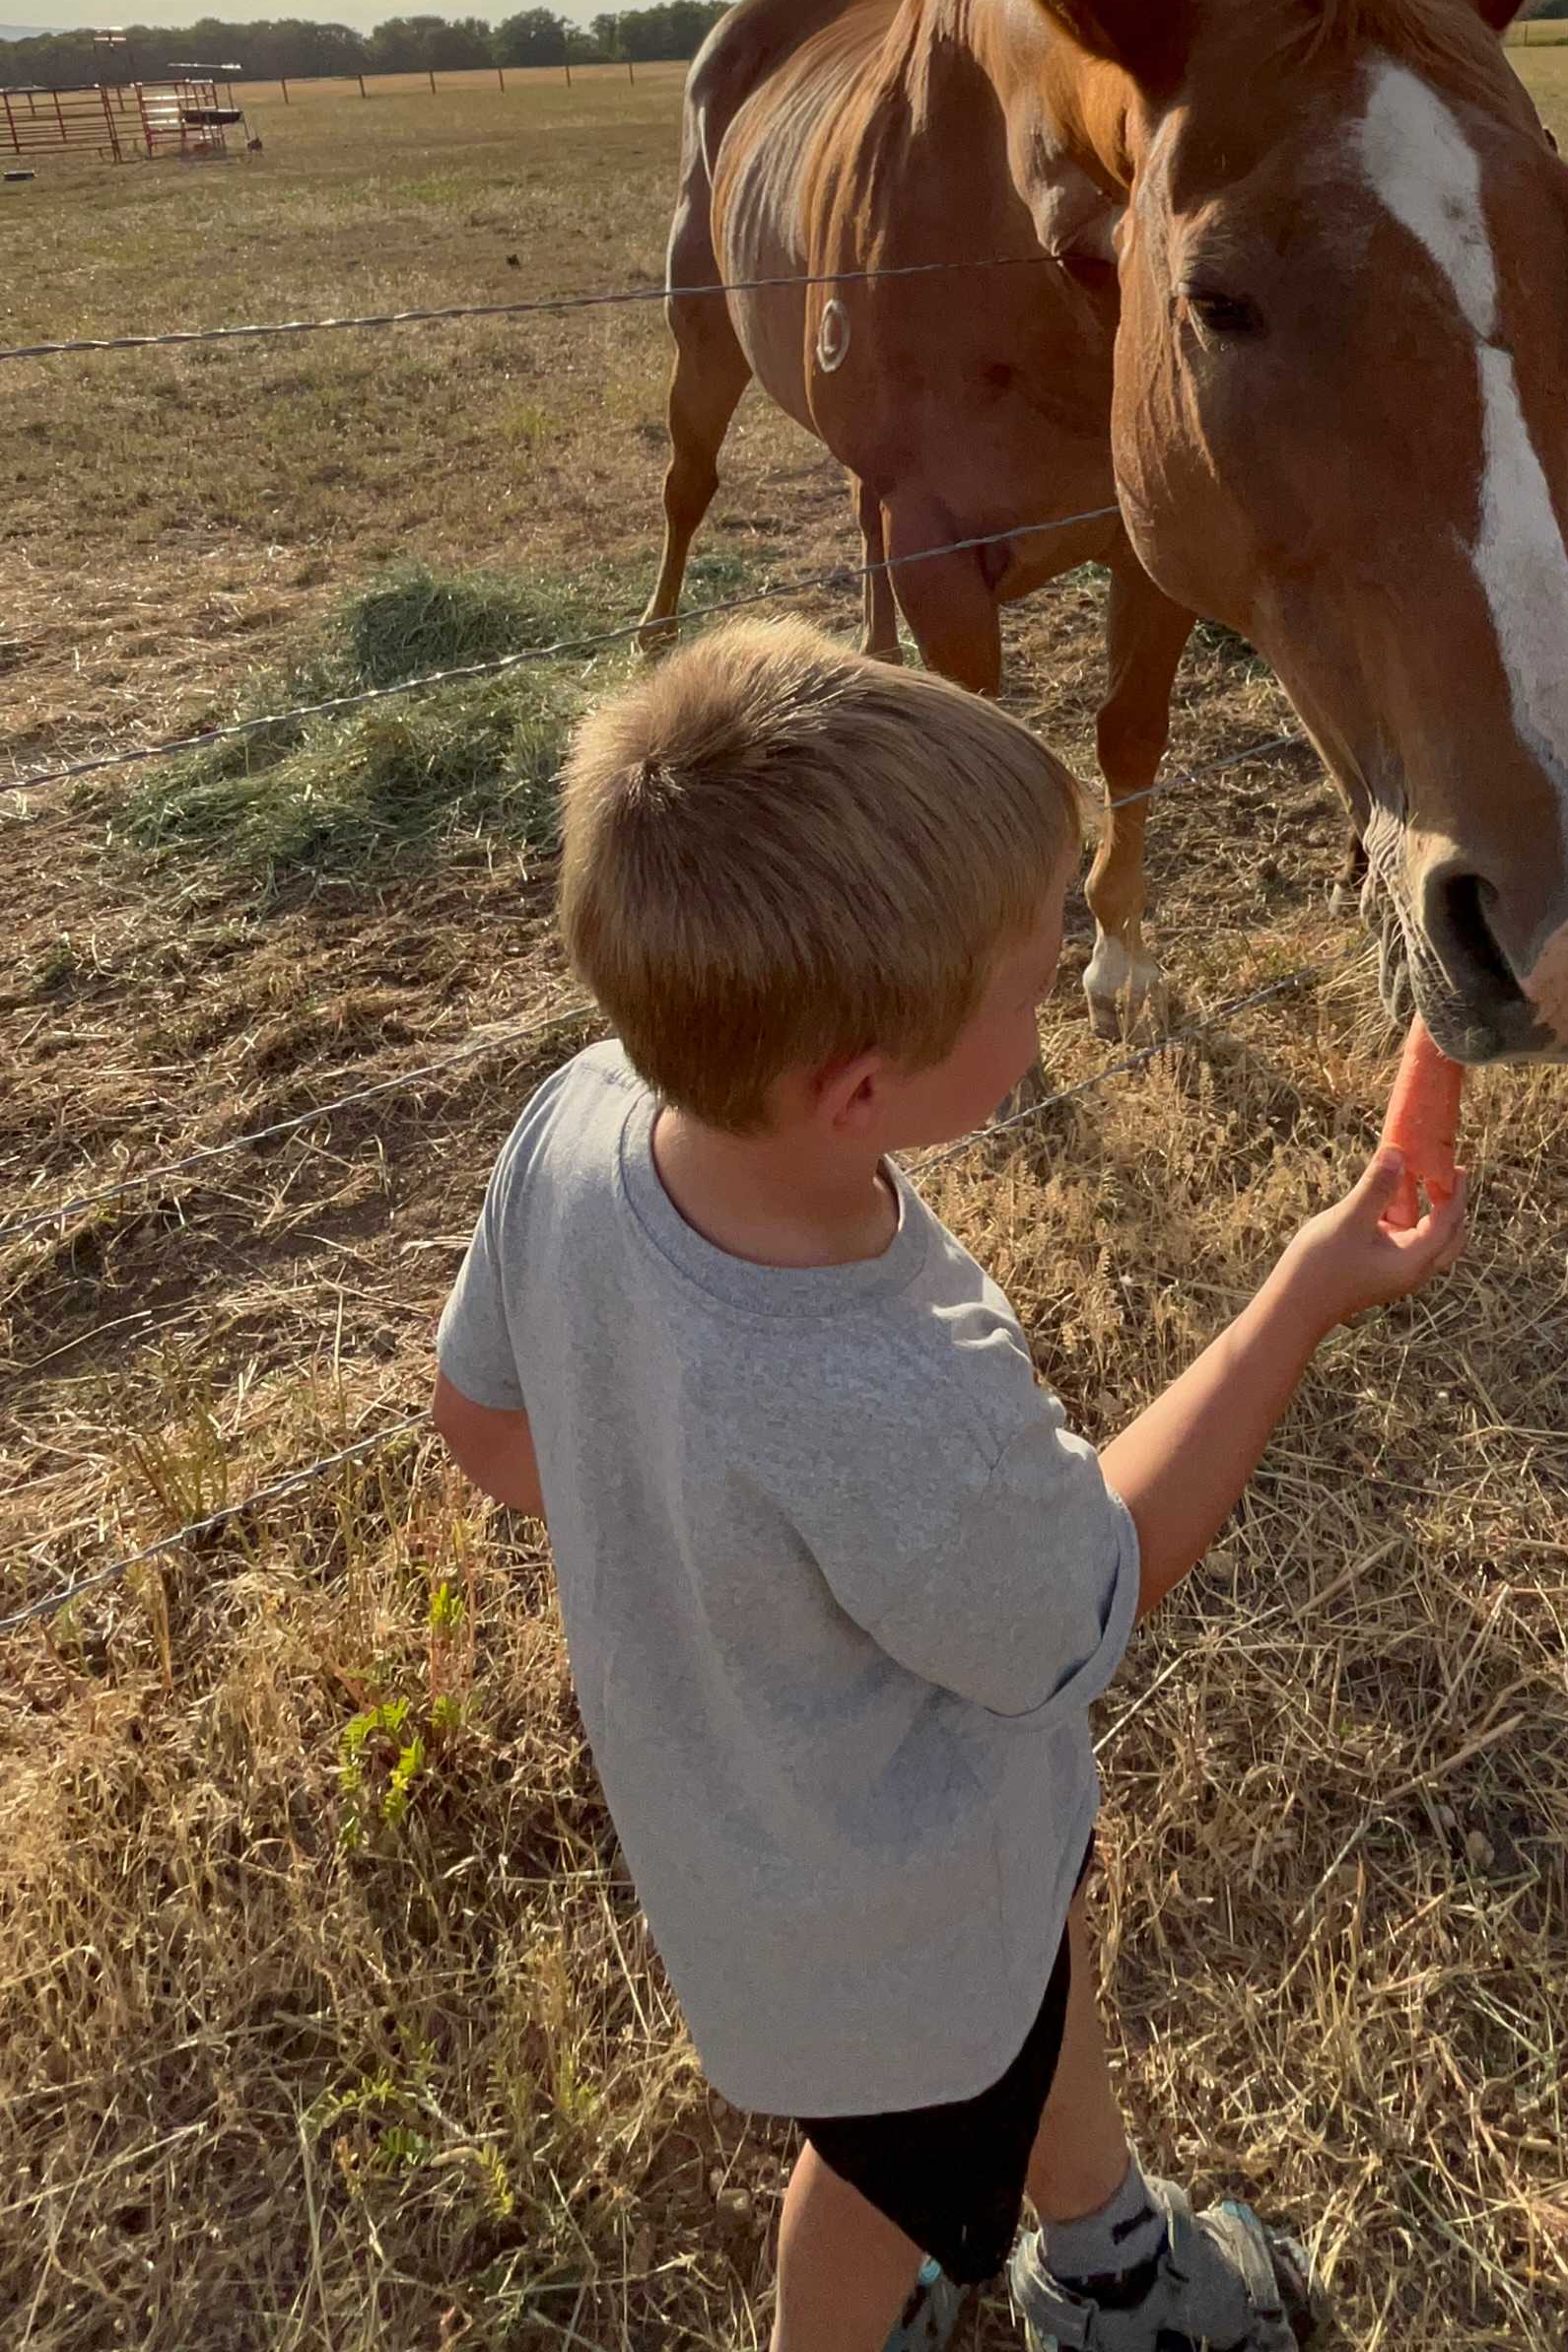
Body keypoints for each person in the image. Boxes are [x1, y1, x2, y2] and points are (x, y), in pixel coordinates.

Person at [433, 617, 1468, 2352]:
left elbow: (485, 1430)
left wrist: (679, 1534)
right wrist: (1302, 1292)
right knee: (890, 2171)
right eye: (1031, 973)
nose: (1059, 980)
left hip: (822, 1835)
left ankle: (1113, 2254)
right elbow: (1084, 1603)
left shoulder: (583, 1110)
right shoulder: (886, 1384)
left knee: (1036, 1970)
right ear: (860, 1092)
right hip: (883, 1924)